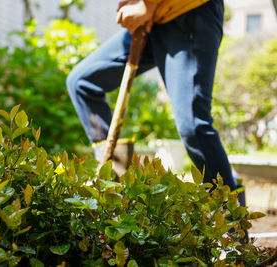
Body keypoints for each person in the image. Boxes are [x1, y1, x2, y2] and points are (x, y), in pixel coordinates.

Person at [66, 0, 242, 195]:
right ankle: (115, 179)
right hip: (156, 20)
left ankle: (231, 215)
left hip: (188, 13)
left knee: (193, 126)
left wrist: (147, 5)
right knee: (81, 81)